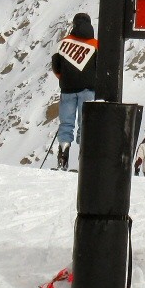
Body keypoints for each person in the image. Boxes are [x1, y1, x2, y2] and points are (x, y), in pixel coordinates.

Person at [51, 13, 97, 171]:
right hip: (88, 91)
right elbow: (101, 68)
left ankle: (62, 158)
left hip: (67, 90)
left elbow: (56, 67)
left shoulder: (63, 43)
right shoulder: (96, 44)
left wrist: (64, 79)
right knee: (86, 125)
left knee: (66, 124)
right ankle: (83, 163)